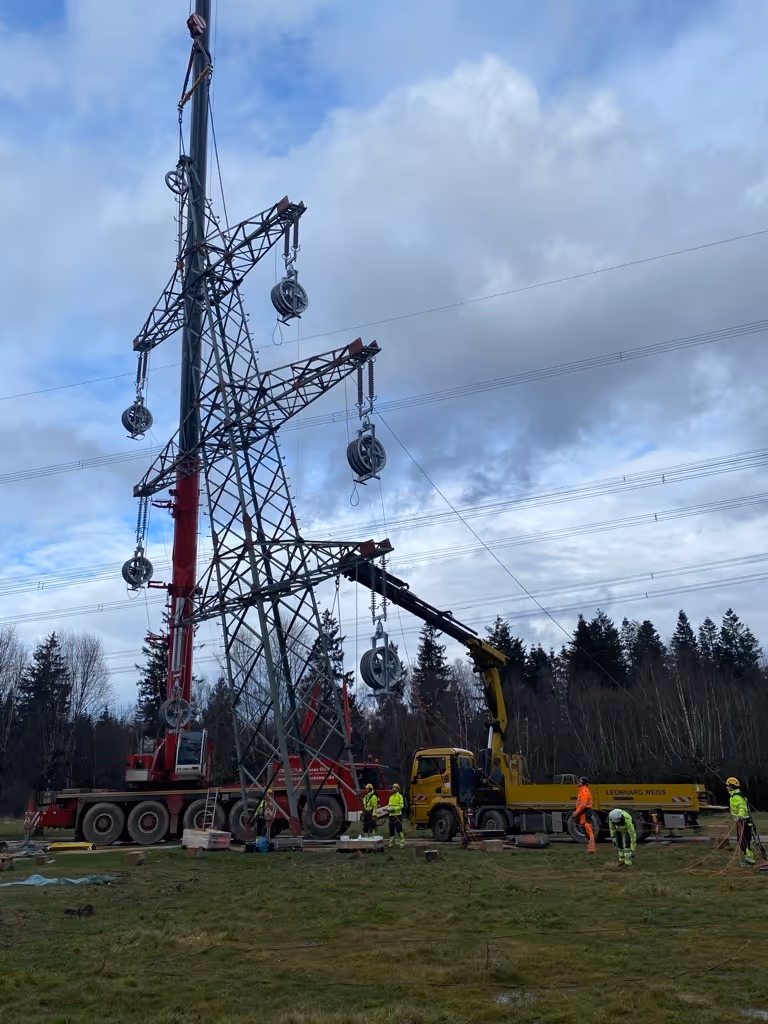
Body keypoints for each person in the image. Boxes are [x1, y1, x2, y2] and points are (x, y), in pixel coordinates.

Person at [726, 777, 755, 866]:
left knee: (744, 841)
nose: (726, 787)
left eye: (728, 786)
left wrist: (740, 816)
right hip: (741, 822)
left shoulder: (737, 797)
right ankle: (748, 859)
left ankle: (750, 861)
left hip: (743, 822)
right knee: (742, 841)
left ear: (731, 787)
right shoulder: (734, 796)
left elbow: (742, 807)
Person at [574, 776, 596, 853]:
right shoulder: (583, 790)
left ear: (583, 783)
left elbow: (583, 805)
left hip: (585, 813)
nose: (578, 782)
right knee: (586, 831)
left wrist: (576, 813)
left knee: (588, 831)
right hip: (584, 813)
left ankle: (591, 849)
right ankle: (590, 849)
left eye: (580, 781)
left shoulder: (584, 792)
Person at [387, 783, 406, 848]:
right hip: (391, 816)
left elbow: (401, 806)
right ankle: (391, 843)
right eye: (393, 787)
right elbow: (389, 805)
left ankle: (402, 842)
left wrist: (394, 809)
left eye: (394, 787)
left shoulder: (400, 796)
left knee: (399, 830)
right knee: (391, 829)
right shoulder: (391, 797)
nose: (393, 788)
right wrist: (388, 809)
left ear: (397, 789)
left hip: (397, 815)